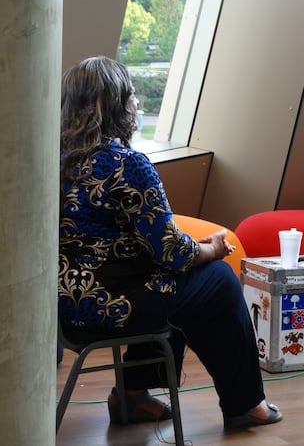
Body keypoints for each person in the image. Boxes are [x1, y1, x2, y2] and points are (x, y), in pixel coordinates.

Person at [58, 56, 282, 428]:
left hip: (60, 309)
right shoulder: (128, 164)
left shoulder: (48, 162)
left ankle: (133, 395)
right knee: (219, 282)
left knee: (174, 286)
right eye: (130, 96)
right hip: (112, 309)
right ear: (114, 105)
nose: (136, 104)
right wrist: (212, 248)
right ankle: (245, 404)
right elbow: (173, 252)